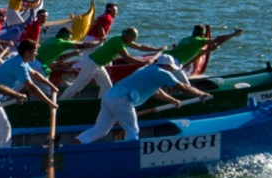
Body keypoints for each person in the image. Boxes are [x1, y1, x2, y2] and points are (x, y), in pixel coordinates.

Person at [77, 55, 209, 144]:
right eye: (171, 69)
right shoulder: (163, 73)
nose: (171, 71)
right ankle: (129, 154)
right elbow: (183, 87)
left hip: (109, 96)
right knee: (133, 130)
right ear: (167, 66)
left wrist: (172, 101)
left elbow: (157, 92)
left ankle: (76, 143)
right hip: (122, 99)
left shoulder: (146, 69)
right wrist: (201, 94)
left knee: (101, 129)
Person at [61, 26, 159, 99]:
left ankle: (100, 104)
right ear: (127, 35)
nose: (134, 40)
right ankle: (61, 101)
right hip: (92, 63)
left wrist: (157, 49)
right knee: (78, 86)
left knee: (107, 87)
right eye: (133, 37)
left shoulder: (125, 40)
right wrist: (145, 63)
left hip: (99, 65)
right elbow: (127, 58)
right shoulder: (118, 41)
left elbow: (140, 47)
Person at [166, 26, 242, 71]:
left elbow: (199, 54)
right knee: (184, 85)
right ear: (203, 34)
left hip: (166, 57)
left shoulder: (185, 39)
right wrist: (233, 34)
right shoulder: (198, 40)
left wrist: (210, 49)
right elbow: (218, 40)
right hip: (172, 62)